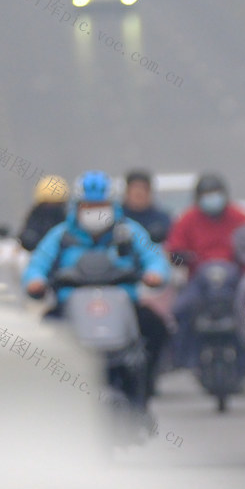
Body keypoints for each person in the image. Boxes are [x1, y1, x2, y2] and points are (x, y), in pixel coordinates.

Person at [23, 170, 172, 398]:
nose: (95, 212)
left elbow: (154, 257)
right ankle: (50, 398)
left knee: (156, 328)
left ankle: (143, 392)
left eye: (101, 206)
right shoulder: (61, 235)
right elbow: (38, 263)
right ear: (77, 206)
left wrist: (155, 274)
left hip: (123, 306)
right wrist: (35, 281)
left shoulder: (128, 232)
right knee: (41, 338)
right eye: (89, 207)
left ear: (113, 206)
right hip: (70, 308)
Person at [164, 172, 245, 279]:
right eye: (206, 195)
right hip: (198, 277)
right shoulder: (187, 219)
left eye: (215, 194)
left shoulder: (240, 218)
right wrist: (187, 259)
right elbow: (174, 251)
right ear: (198, 198)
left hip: (236, 276)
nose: (211, 199)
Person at [17, 175, 70, 252]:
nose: (51, 209)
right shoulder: (35, 216)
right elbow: (27, 233)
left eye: (56, 204)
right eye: (47, 204)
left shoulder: (68, 221)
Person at [120, 169, 172, 246]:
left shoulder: (162, 219)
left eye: (143, 189)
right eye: (135, 189)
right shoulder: (117, 216)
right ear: (127, 192)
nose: (139, 193)